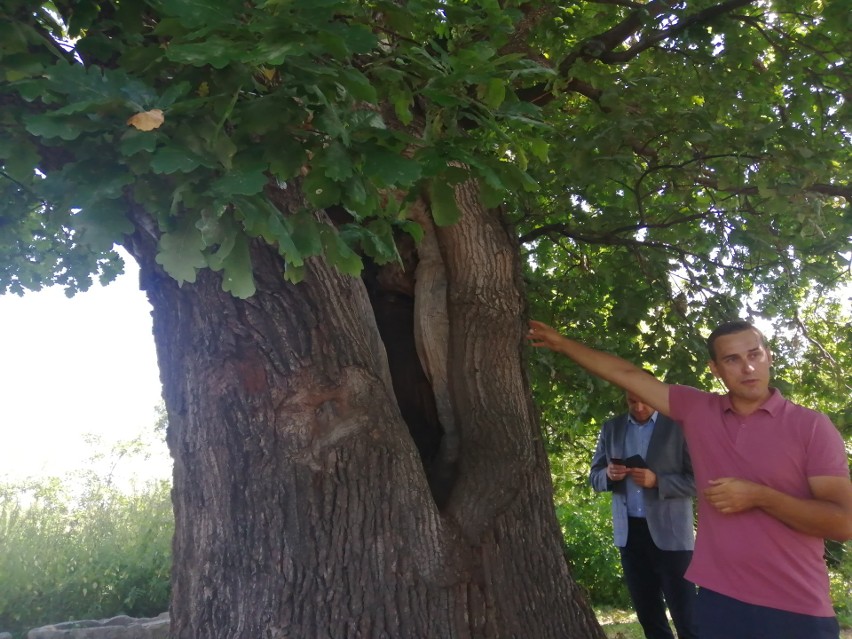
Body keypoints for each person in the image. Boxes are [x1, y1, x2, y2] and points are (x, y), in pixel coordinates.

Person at [528, 319, 852, 639]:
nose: (747, 368)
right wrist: (562, 344)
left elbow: (842, 524)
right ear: (715, 369)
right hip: (718, 600)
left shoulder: (811, 426)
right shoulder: (699, 410)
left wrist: (761, 496)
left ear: (769, 356)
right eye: (732, 359)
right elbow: (627, 375)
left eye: (754, 355)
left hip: (795, 606)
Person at [590, 384, 697, 639]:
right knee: (649, 617)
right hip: (630, 535)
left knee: (687, 618)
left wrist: (658, 480)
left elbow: (698, 480)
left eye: (644, 401)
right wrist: (607, 474)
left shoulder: (679, 427)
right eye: (631, 401)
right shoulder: (612, 428)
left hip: (671, 537)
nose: (638, 408)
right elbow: (594, 476)